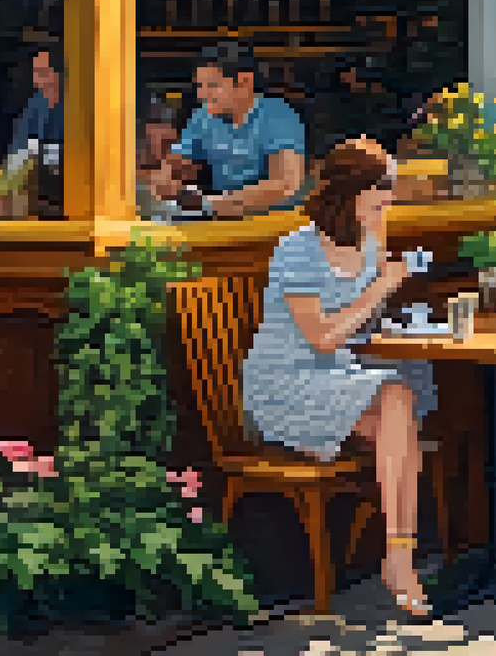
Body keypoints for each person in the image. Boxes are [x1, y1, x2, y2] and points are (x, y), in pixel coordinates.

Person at [241, 138, 438, 618]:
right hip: (286, 384)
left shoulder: (369, 239)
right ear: (352, 189)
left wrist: (386, 296)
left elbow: (360, 324)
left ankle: (399, 554)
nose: (391, 196)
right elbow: (323, 337)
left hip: (336, 378)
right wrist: (380, 287)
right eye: (384, 186)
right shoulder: (299, 249)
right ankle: (400, 561)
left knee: (400, 409)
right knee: (398, 402)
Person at [153, 42, 308, 218]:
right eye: (199, 86)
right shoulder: (202, 117)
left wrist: (208, 203)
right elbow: (180, 161)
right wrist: (166, 174)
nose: (201, 95)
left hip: (275, 223)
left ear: (245, 82)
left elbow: (285, 185)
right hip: (223, 219)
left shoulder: (279, 116)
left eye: (212, 85)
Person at [0, 48, 65, 216]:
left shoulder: (74, 104)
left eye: (42, 73)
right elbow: (20, 144)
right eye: (35, 73)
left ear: (58, 75)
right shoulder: (36, 103)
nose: (36, 80)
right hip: (36, 186)